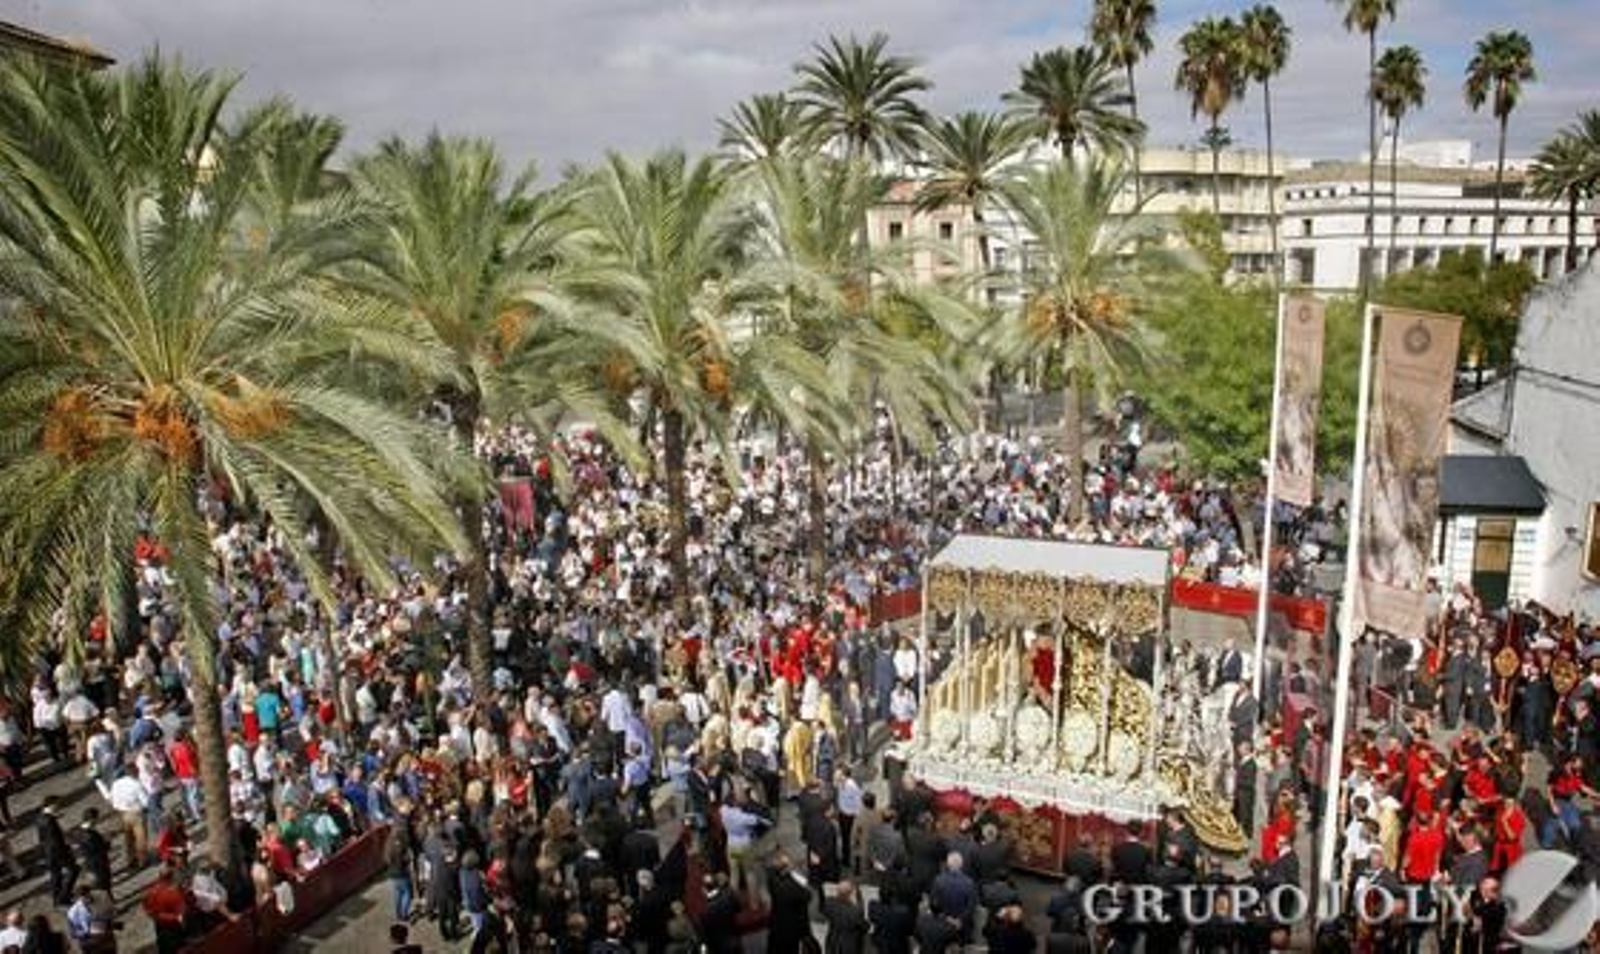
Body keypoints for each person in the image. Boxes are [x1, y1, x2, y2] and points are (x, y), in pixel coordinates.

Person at [35, 799, 78, 906]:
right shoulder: (50, 821)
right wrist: (68, 848)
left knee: (56, 875)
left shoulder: (40, 817)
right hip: (57, 851)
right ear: (51, 805)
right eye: (57, 805)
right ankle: (64, 896)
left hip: (48, 851)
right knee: (74, 870)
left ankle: (56, 897)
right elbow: (55, 841)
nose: (58, 807)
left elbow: (42, 837)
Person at [141, 865, 187, 954]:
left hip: (159, 927)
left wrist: (158, 916)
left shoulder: (151, 891)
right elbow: (181, 915)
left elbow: (147, 908)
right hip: (173, 928)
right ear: (171, 877)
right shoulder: (173, 893)